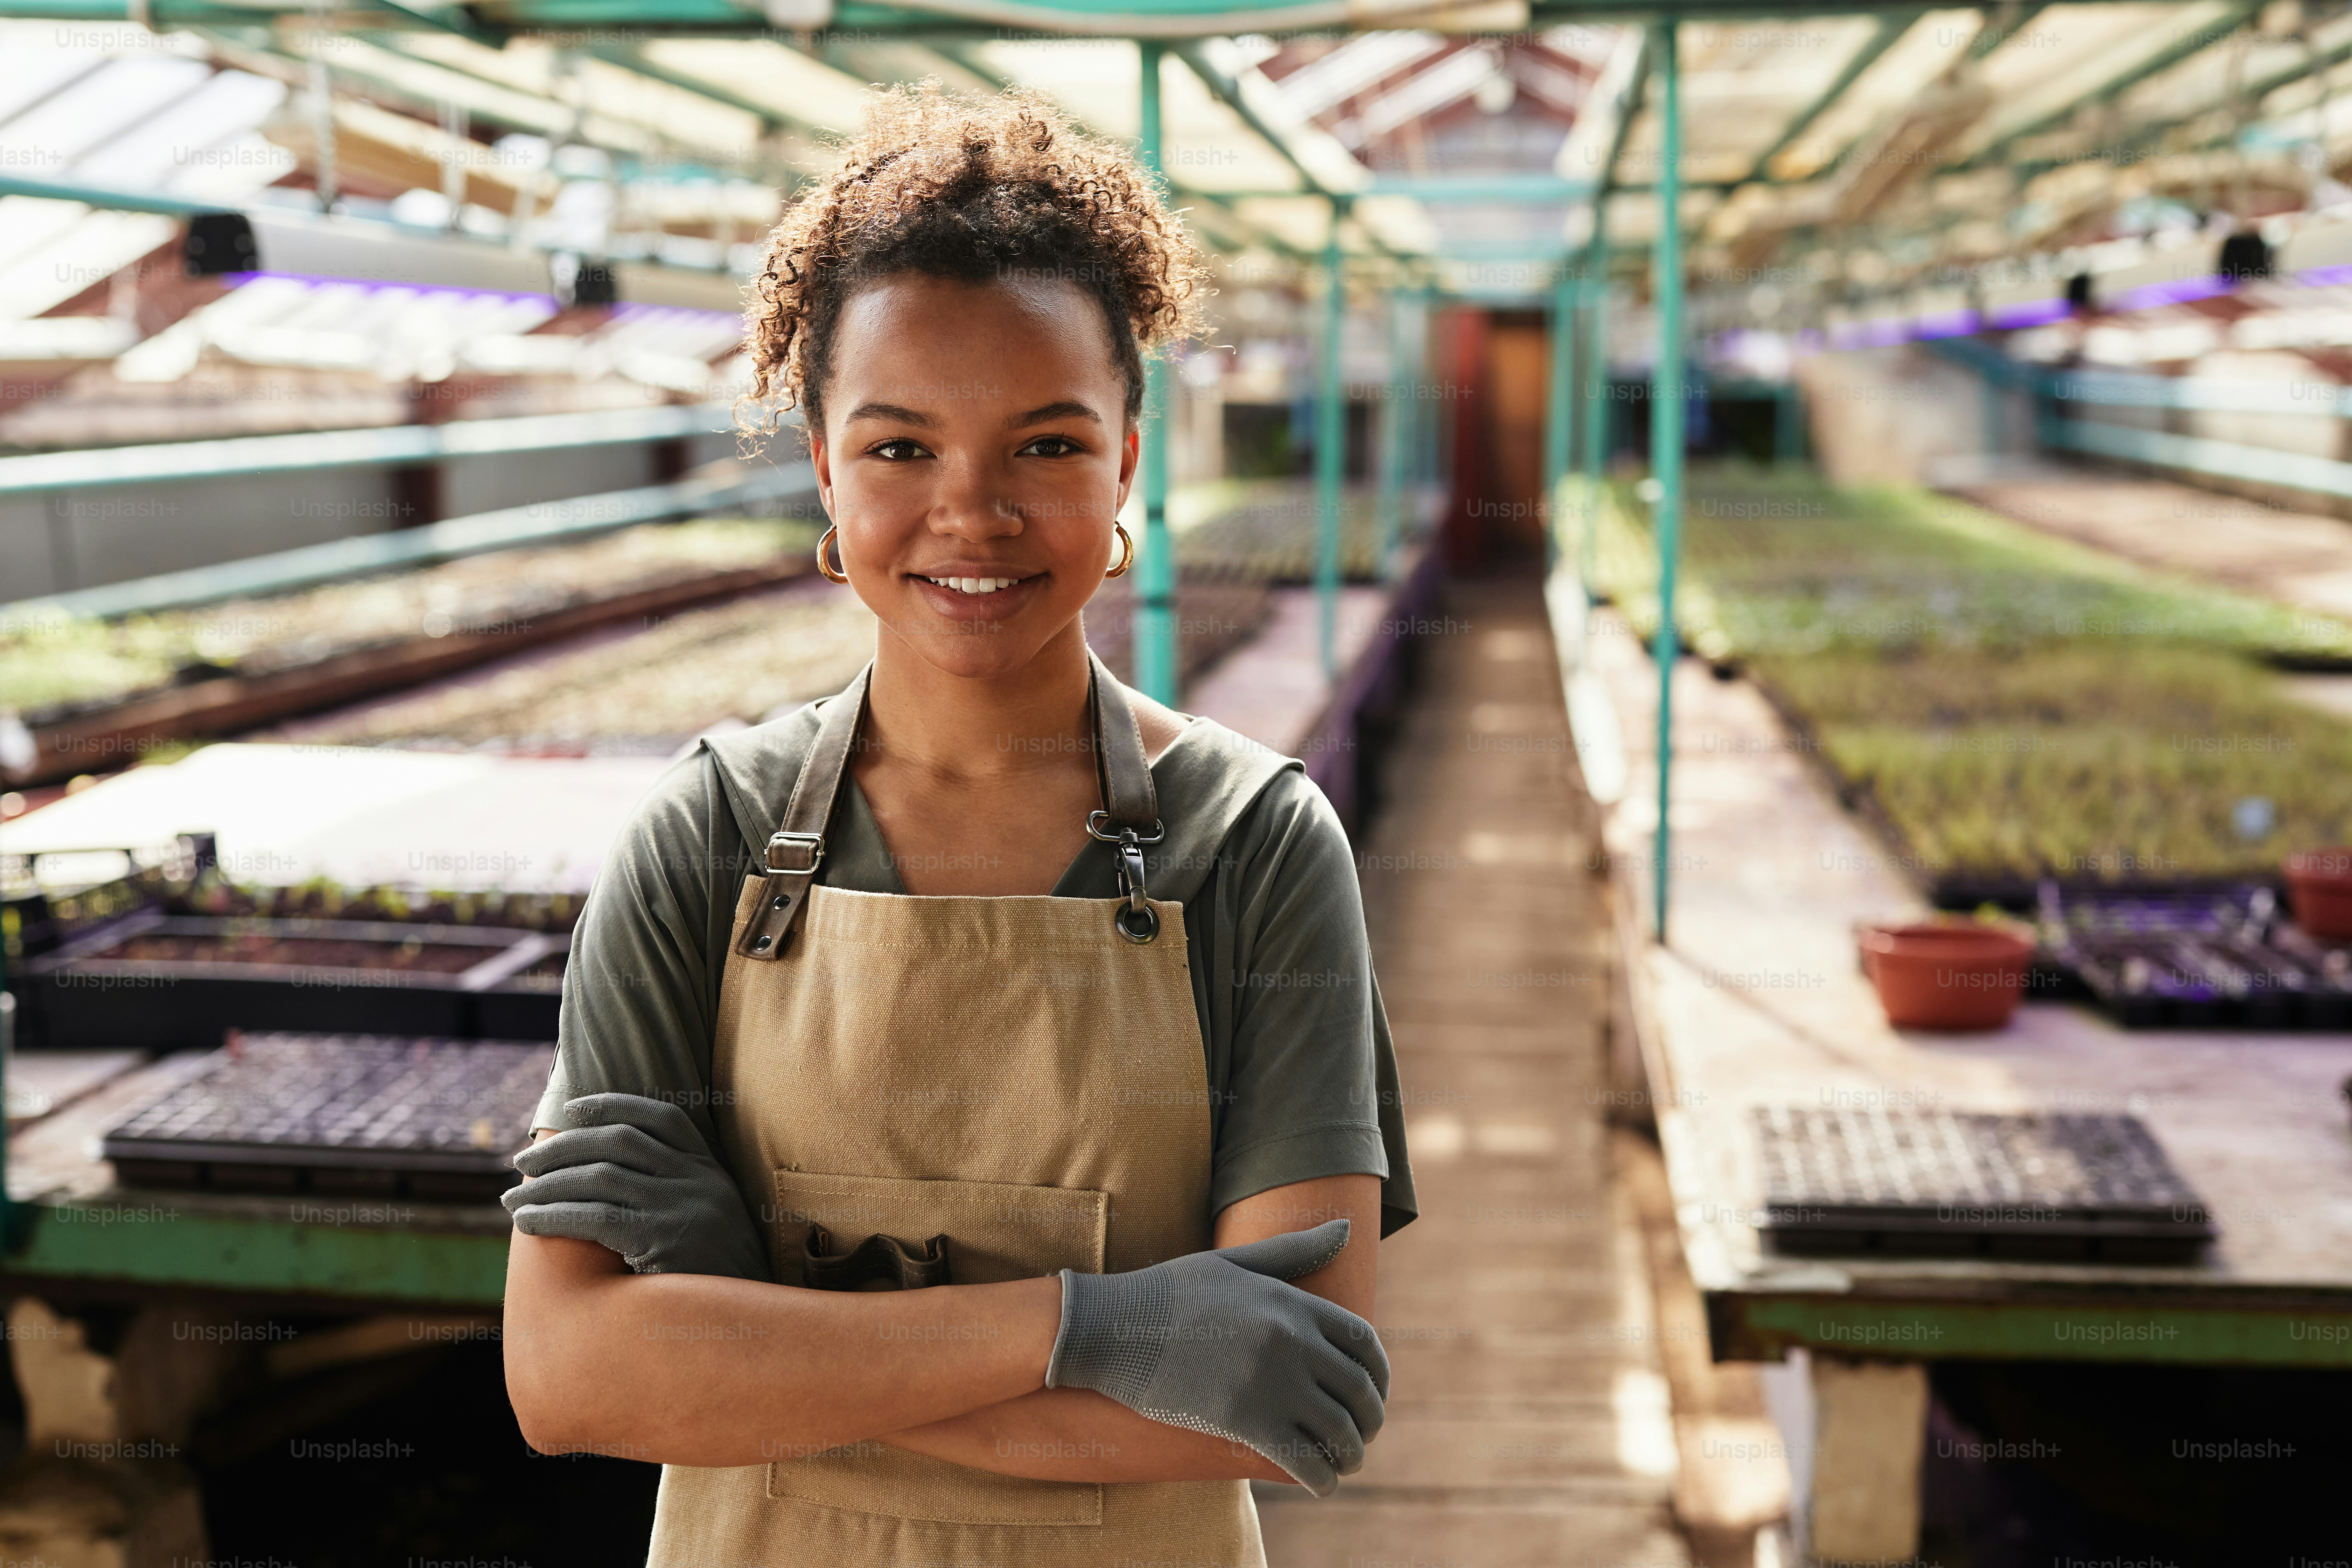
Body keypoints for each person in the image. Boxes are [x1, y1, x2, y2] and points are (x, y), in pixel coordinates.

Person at [498, 80, 1416, 1568]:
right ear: (823, 469)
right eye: (900, 447)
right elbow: (569, 1378)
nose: (971, 514)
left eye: (1046, 446)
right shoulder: (705, 842)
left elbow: (1279, 1399)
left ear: (1130, 459)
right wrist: (1089, 1329)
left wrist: (759, 1326)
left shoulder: (1253, 846)